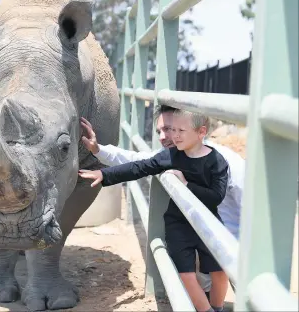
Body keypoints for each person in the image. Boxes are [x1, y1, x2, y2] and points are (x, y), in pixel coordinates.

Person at [80, 104, 244, 294]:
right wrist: (98, 150)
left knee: (238, 280)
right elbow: (138, 161)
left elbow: (247, 208)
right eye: (161, 130)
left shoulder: (224, 160)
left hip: (236, 234)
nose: (164, 137)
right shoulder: (177, 154)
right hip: (206, 231)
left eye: (171, 129)